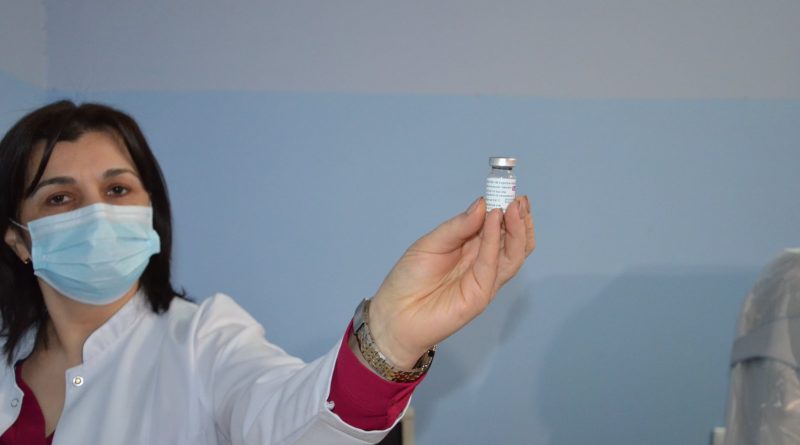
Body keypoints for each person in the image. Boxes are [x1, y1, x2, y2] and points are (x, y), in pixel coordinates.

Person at [0, 101, 535, 444]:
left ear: (150, 211)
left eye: (117, 189)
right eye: (59, 197)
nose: (98, 215)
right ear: (17, 238)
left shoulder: (204, 340)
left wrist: (389, 342)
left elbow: (288, 421)